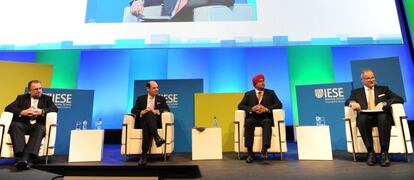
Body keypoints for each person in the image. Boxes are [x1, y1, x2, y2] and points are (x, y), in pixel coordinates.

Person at [345, 69, 404, 167]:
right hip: (366, 117)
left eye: (372, 77)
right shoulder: (356, 92)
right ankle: (370, 153)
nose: (371, 80)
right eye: (368, 78)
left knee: (383, 117)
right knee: (362, 118)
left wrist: (384, 103)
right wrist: (352, 103)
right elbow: (348, 101)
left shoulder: (383, 89)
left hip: (381, 117)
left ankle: (384, 153)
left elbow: (399, 98)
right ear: (362, 80)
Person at [5, 80, 58, 170]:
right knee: (15, 125)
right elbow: (8, 108)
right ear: (30, 91)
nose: (39, 91)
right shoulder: (21, 98)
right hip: (23, 124)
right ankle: (25, 159)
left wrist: (42, 111)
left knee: (40, 128)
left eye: (40, 88)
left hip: (37, 125)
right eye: (36, 89)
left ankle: (22, 160)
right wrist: (22, 112)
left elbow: (54, 108)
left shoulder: (47, 98)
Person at [238, 74, 282, 163]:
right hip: (253, 118)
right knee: (249, 122)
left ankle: (264, 149)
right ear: (255, 84)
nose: (263, 83)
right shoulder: (248, 94)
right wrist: (251, 109)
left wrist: (266, 109)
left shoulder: (271, 93)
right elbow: (240, 106)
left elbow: (279, 104)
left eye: (263, 81)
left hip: (265, 118)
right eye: (260, 81)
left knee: (267, 122)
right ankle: (250, 153)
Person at [131, 81, 170, 166]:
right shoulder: (140, 98)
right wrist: (143, 111)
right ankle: (157, 138)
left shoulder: (161, 99)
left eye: (157, 87)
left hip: (156, 122)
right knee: (147, 115)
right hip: (143, 120)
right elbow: (133, 110)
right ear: (148, 89)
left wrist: (156, 111)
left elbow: (167, 110)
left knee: (147, 122)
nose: (157, 89)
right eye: (154, 88)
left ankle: (144, 155)